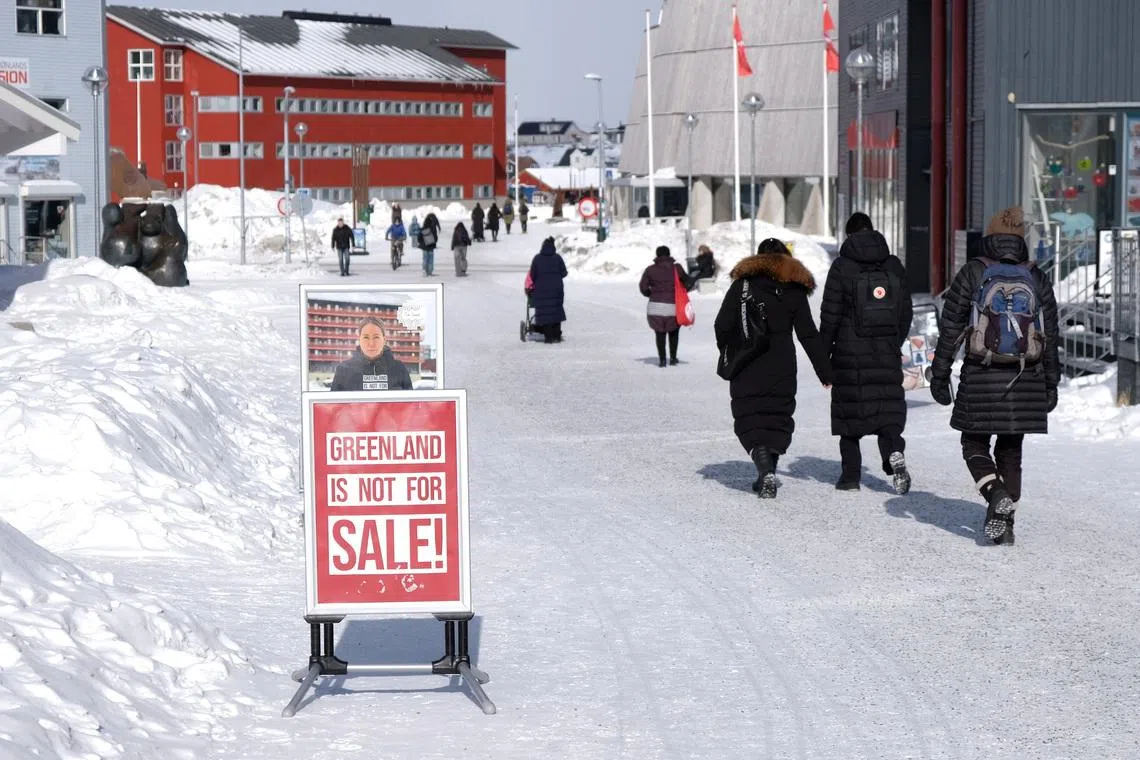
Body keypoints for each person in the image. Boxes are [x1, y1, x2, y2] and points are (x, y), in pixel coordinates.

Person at [929, 207, 1061, 545]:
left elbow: (951, 328)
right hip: (1025, 376)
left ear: (989, 239)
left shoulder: (974, 272)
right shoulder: (1037, 277)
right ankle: (1007, 521)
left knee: (973, 442)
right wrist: (1051, 383)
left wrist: (940, 374)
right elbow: (1052, 336)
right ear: (1021, 242)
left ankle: (995, 493)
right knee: (1011, 448)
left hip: (981, 374)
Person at [713, 239, 834, 499]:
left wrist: (729, 349)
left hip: (747, 363)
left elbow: (722, 324)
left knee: (751, 416)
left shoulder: (742, 286)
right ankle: (768, 470)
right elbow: (808, 335)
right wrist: (825, 371)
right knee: (777, 417)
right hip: (782, 364)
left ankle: (764, 468)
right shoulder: (794, 289)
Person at [818, 212, 914, 493]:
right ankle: (893, 452)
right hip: (886, 351)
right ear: (873, 231)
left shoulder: (842, 268)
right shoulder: (893, 265)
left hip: (849, 354)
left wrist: (824, 360)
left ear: (849, 235)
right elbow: (905, 311)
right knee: (887, 414)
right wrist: (893, 341)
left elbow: (830, 317)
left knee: (850, 420)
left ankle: (850, 477)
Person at [639, 245, 692, 367]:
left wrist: (651, 294)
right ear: (669, 255)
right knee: (674, 332)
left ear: (657, 255)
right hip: (673, 305)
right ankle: (673, 358)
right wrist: (682, 292)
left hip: (655, 306)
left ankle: (662, 360)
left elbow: (643, 287)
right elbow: (687, 282)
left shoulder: (650, 269)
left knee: (659, 333)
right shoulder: (676, 268)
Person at [330, 317, 414, 391]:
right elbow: (333, 406)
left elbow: (411, 405)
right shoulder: (344, 370)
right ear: (359, 339)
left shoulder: (399, 369)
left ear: (384, 340)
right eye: (366, 337)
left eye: (376, 337)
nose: (371, 343)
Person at [528, 236, 568, 343]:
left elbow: (532, 275)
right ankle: (557, 335)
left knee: (545, 311)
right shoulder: (558, 258)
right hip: (556, 288)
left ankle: (548, 336)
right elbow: (564, 273)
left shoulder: (537, 258)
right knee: (556, 309)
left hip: (541, 289)